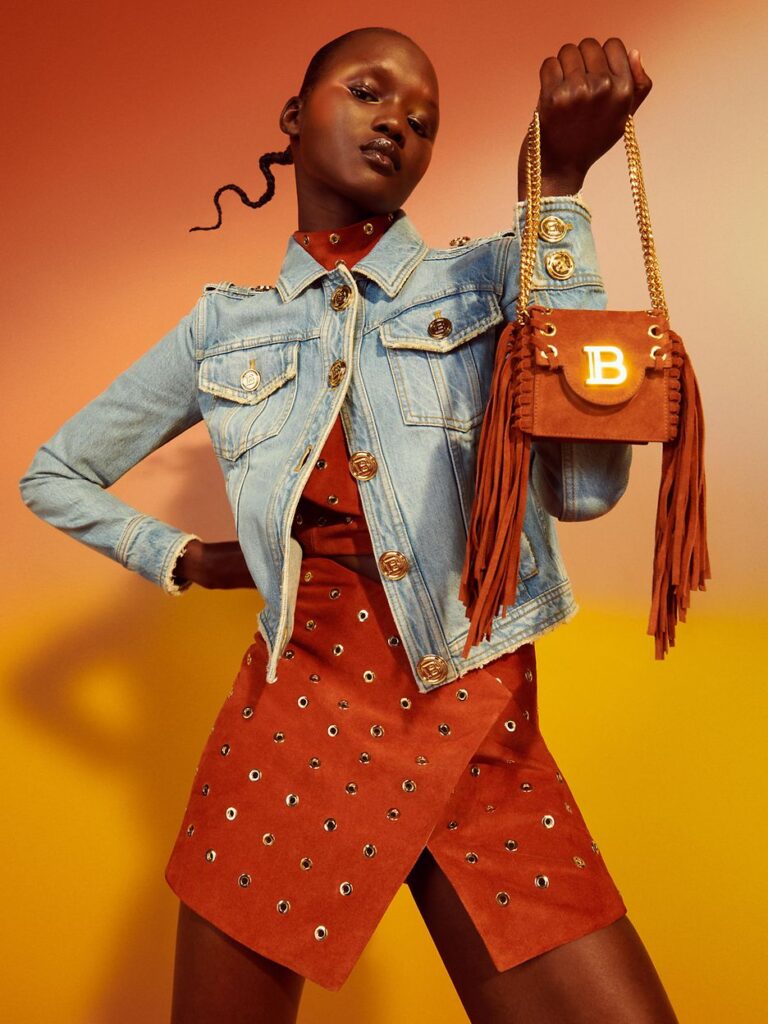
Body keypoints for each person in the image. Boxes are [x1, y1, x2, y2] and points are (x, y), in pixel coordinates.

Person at [18, 25, 680, 1024]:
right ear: (293, 117)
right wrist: (187, 559)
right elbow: (53, 471)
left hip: (473, 714)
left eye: (422, 120)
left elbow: (584, 490)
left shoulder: (491, 277)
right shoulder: (223, 326)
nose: (397, 124)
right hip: (294, 728)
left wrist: (561, 197)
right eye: (369, 91)